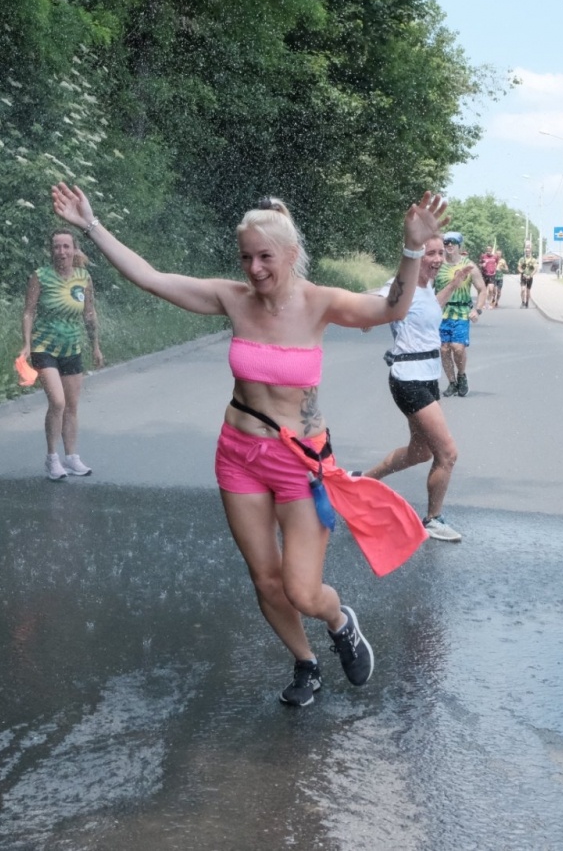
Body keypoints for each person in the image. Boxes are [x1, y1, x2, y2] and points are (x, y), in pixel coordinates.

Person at [50, 182, 448, 706]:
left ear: (290, 254)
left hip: (300, 463)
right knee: (265, 579)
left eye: (265, 257)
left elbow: (392, 310)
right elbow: (150, 278)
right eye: (246, 258)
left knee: (303, 589)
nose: (254, 269)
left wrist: (413, 248)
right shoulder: (232, 299)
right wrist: (92, 225)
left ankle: (338, 620)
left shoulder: (319, 303)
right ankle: (306, 662)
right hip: (238, 455)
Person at [364, 235, 464, 541]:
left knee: (420, 452)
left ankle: (362, 482)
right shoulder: (401, 286)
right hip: (409, 378)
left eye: (439, 253)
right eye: (429, 254)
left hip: (428, 376)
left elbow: (428, 310)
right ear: (414, 258)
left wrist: (452, 285)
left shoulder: (427, 286)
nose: (437, 259)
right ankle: (433, 519)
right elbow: (375, 307)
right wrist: (367, 317)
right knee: (447, 453)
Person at [22, 229, 104, 481]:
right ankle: (52, 459)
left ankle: (71, 457)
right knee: (57, 402)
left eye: (66, 247)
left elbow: (89, 314)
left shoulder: (83, 277)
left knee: (71, 406)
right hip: (44, 347)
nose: (61, 252)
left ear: (74, 249)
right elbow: (28, 312)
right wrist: (26, 345)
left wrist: (95, 346)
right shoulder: (40, 276)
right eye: (57, 247)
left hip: (72, 348)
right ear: (51, 250)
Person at [435, 232, 484, 397]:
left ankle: (462, 376)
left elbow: (482, 289)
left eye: (453, 242)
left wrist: (477, 309)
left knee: (457, 347)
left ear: (459, 245)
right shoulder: (438, 265)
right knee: (443, 349)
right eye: (446, 242)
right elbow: (426, 287)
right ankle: (452, 383)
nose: (449, 245)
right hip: (441, 313)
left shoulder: (468, 266)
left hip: (462, 312)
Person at [517, 242, 540, 309]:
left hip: (530, 277)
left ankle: (527, 302)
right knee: (523, 290)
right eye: (526, 251)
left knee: (528, 291)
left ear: (530, 251)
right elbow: (519, 267)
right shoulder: (522, 259)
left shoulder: (533, 260)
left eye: (528, 251)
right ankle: (523, 302)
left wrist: (530, 275)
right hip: (523, 277)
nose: (527, 252)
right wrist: (522, 273)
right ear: (525, 251)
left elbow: (535, 269)